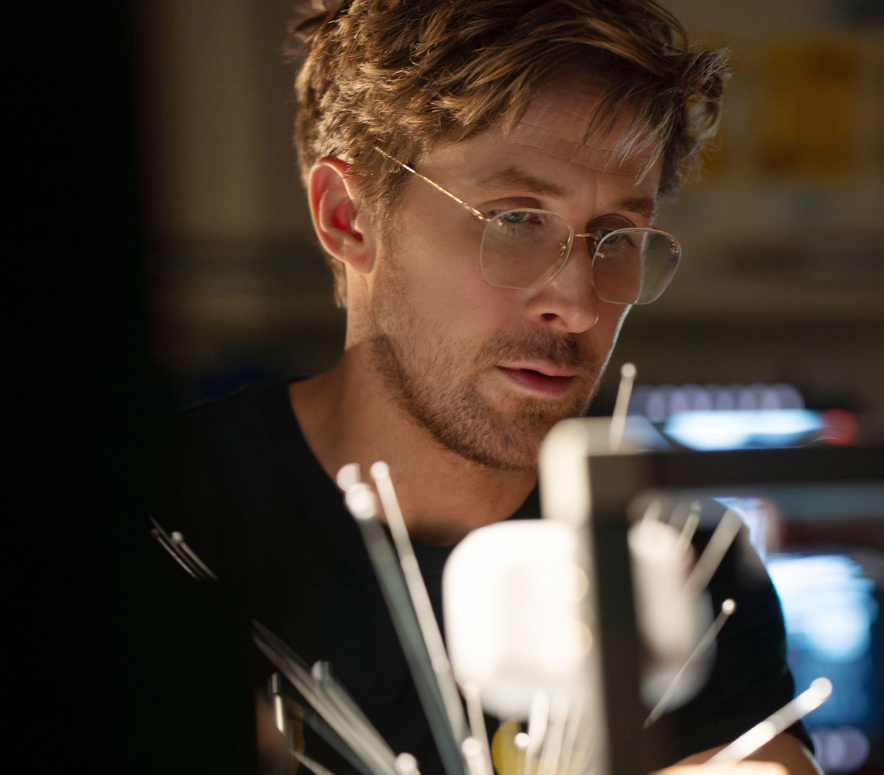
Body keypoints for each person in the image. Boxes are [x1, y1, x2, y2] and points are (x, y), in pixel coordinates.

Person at [146, 2, 819, 775]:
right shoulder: (172, 517)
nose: (574, 300)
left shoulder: (677, 560)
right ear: (348, 216)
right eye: (513, 219)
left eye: (614, 237)